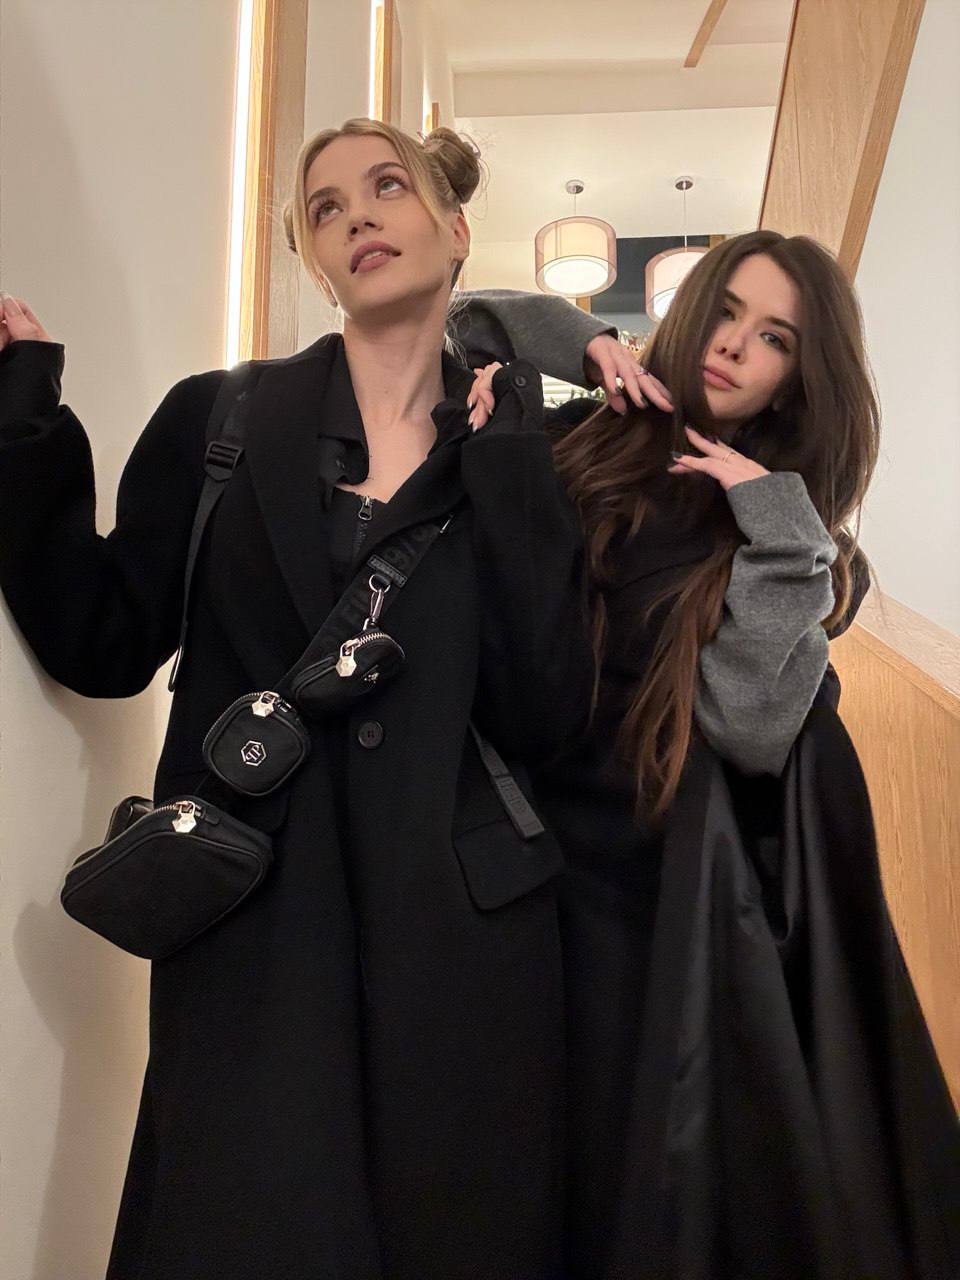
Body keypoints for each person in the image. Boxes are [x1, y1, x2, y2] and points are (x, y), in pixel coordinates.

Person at [0, 118, 601, 1280]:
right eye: (326, 207)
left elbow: (549, 708)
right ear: (316, 261)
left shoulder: (523, 445)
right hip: (253, 933)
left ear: (456, 230)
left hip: (467, 951)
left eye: (388, 187)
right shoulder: (220, 421)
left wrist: (515, 471)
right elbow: (101, 635)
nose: (358, 214)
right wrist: (25, 414)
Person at [469, 230, 960, 1280]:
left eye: (774, 337)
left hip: (647, 885)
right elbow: (466, 323)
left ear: (800, 376)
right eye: (727, 311)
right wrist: (587, 342)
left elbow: (747, 723)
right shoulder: (580, 437)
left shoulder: (796, 541)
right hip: (513, 842)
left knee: (625, 1174)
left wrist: (778, 527)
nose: (735, 346)